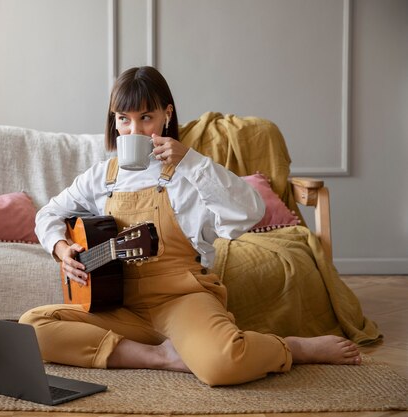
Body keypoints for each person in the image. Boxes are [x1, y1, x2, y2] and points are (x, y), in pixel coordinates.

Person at [19, 66, 361, 386]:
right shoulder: (102, 176)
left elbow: (249, 213)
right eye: (124, 120)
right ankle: (159, 357)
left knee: (222, 365)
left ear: (167, 115)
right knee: (33, 326)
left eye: (146, 118)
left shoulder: (193, 171)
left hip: (181, 299)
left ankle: (292, 348)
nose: (134, 131)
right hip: (120, 306)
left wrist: (192, 162)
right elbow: (48, 213)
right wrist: (62, 249)